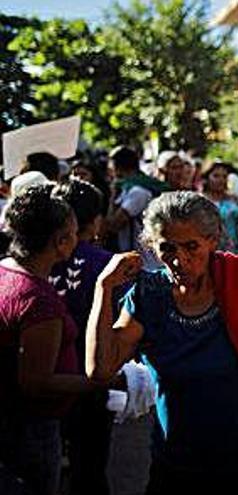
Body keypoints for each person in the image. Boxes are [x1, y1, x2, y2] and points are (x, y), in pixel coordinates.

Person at [86, 192, 238, 495]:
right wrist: (103, 287)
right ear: (152, 247)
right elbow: (100, 369)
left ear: (212, 240)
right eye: (167, 248)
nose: (179, 259)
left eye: (191, 247)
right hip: (173, 466)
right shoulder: (147, 296)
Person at [0, 184, 89, 495]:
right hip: (30, 431)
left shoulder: (8, 270)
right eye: (74, 232)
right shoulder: (38, 301)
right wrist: (104, 380)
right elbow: (36, 382)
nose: (78, 239)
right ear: (59, 242)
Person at [48, 180, 115, 495]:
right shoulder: (107, 266)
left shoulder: (35, 263)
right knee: (89, 468)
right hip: (91, 380)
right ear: (96, 221)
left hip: (45, 381)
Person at [103, 146, 168, 262]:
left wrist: (112, 197)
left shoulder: (138, 192)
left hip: (146, 261)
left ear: (116, 167)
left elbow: (113, 225)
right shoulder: (132, 187)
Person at [202, 161, 238, 254]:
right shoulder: (200, 201)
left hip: (235, 248)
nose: (221, 180)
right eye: (216, 176)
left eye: (224, 176)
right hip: (212, 250)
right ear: (206, 178)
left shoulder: (234, 199)